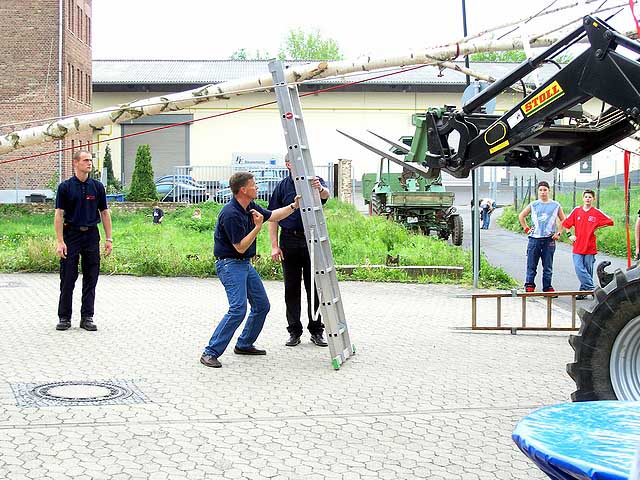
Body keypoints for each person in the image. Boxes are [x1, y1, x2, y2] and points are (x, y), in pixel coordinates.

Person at [200, 171, 301, 368]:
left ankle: (244, 343)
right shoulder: (230, 214)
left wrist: (294, 206)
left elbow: (273, 216)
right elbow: (240, 247)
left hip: (244, 264)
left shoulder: (250, 206)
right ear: (243, 190)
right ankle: (210, 352)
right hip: (229, 264)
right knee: (238, 309)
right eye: (254, 185)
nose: (257, 187)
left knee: (262, 305)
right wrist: (257, 228)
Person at [268, 155, 330, 348]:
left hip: (311, 240)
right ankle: (294, 331)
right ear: (287, 164)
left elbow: (326, 195)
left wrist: (319, 188)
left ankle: (316, 330)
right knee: (291, 289)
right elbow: (272, 218)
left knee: (315, 287)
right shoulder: (282, 187)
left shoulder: (314, 180)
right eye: (293, 162)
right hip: (289, 240)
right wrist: (274, 245)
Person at [54, 150, 113, 331]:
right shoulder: (65, 187)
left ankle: (87, 317)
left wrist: (109, 238)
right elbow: (59, 214)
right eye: (86, 160)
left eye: (90, 160)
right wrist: (60, 241)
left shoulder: (97, 187)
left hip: (91, 236)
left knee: (91, 277)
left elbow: (104, 212)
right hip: (71, 235)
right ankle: (64, 317)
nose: (89, 163)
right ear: (76, 163)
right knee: (68, 278)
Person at [563, 190, 614, 299]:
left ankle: (583, 292)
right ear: (583, 198)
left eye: (590, 197)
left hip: (590, 246)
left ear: (593, 199)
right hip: (578, 245)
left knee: (588, 269)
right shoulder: (577, 211)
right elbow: (566, 224)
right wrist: (569, 235)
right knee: (578, 267)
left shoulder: (596, 212)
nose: (587, 199)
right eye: (586, 197)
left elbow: (610, 221)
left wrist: (596, 226)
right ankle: (593, 289)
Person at [518, 181, 566, 293]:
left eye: (545, 190)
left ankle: (547, 287)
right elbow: (522, 215)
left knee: (548, 266)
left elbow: (563, 219)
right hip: (534, 239)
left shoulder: (556, 205)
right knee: (531, 264)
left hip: (549, 239)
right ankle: (529, 285)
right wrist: (526, 228)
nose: (543, 192)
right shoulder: (534, 205)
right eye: (540, 190)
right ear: (538, 191)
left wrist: (558, 232)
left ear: (549, 191)